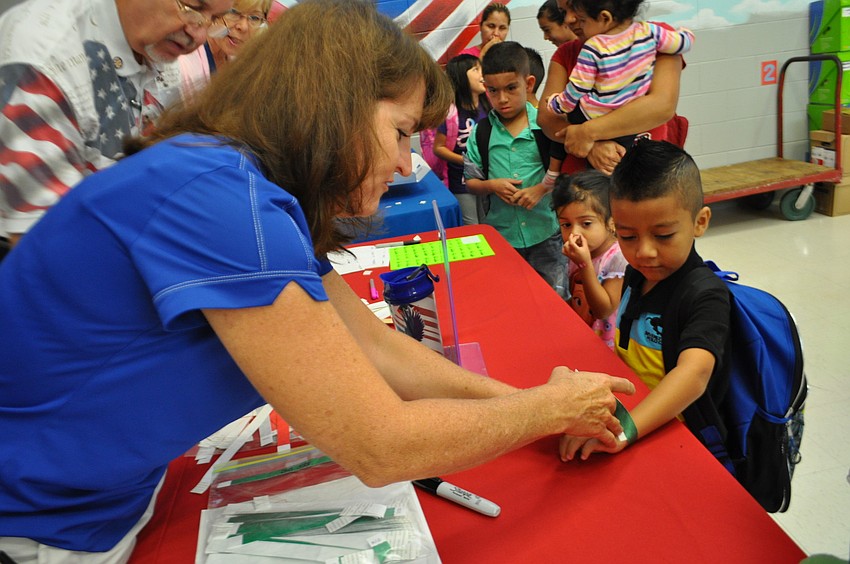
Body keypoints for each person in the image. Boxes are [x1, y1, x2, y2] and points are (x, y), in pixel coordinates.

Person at [0, 1, 635, 561]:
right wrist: (547, 407)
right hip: (37, 526)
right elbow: (380, 444)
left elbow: (379, 348)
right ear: (335, 104)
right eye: (399, 131)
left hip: (96, 502)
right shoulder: (221, 200)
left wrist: (526, 408)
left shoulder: (242, 186)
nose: (403, 161)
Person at [0, 0, 233, 249]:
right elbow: (42, 243)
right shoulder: (45, 59)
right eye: (192, 6)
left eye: (215, 19)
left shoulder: (153, 44)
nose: (197, 35)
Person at [559, 140, 730, 463]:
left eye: (663, 235)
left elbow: (693, 376)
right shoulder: (636, 274)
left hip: (676, 437)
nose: (644, 252)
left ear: (700, 222)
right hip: (633, 413)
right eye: (627, 236)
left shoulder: (706, 295)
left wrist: (625, 429)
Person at [536, 0, 685, 175]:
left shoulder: (654, 34)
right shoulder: (566, 53)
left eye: (574, 7)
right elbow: (546, 118)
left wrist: (587, 133)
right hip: (585, 181)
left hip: (647, 175)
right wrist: (593, 147)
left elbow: (661, 105)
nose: (569, 19)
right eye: (563, 11)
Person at [464, 41, 565, 295]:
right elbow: (471, 182)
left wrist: (540, 190)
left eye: (511, 88)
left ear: (529, 84)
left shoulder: (546, 126)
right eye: (493, 91)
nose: (502, 99)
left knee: (554, 300)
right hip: (502, 238)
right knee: (511, 298)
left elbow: (565, 175)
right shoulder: (482, 133)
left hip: (547, 235)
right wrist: (492, 185)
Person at [552, 170, 626, 350]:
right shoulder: (581, 252)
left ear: (612, 222)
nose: (574, 233)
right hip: (585, 337)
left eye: (586, 223)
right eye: (566, 224)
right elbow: (576, 292)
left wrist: (584, 264)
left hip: (609, 346)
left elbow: (603, 310)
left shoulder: (618, 258)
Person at [432, 54, 489, 225]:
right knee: (471, 225)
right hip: (461, 182)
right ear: (461, 77)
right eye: (475, 69)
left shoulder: (488, 106)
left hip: (487, 179)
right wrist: (465, 161)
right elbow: (438, 147)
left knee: (488, 222)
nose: (482, 74)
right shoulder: (451, 113)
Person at [178, 0, 272, 98]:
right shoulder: (181, 61)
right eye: (234, 12)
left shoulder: (243, 67)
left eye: (254, 18)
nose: (243, 27)